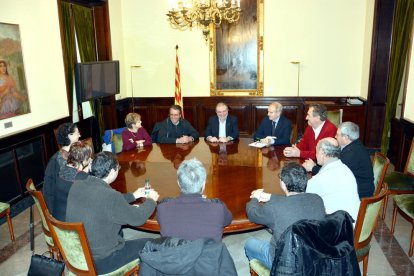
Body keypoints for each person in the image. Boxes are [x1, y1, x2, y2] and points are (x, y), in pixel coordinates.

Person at [66, 151, 159, 274]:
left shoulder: (77, 185)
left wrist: (134, 195)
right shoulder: (110, 197)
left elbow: (104, 202)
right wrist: (152, 201)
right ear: (112, 172)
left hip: (79, 255)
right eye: (118, 168)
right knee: (151, 244)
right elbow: (138, 218)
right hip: (102, 261)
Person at [244, 162, 325, 269]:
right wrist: (271, 196)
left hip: (284, 264)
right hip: (311, 258)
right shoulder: (317, 199)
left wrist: (254, 198)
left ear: (283, 183)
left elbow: (253, 214)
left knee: (249, 243)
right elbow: (293, 201)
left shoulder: (275, 207)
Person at [156, 158, 232, 241]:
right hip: (209, 253)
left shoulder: (163, 208)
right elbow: (228, 221)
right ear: (204, 184)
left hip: (174, 253)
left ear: (178, 183)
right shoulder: (218, 208)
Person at [302, 121, 374, 198]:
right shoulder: (354, 145)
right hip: (357, 186)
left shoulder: (351, 154)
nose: (335, 136)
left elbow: (332, 175)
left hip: (359, 193)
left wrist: (313, 168)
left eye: (338, 134)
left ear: (346, 138)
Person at [306, 138, 360, 220]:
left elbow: (300, 193)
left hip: (342, 227)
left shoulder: (322, 178)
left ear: (322, 152)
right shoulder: (344, 168)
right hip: (354, 219)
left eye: (316, 151)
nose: (315, 155)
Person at [43, 122, 81, 215]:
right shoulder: (58, 160)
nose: (80, 135)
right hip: (64, 207)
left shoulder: (69, 154)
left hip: (67, 199)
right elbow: (71, 185)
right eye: (77, 133)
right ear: (70, 136)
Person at [51, 141, 92, 221]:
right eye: (89, 157)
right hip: (71, 224)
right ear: (84, 159)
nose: (90, 159)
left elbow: (73, 176)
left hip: (57, 219)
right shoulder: (82, 178)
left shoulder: (62, 169)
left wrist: (84, 171)